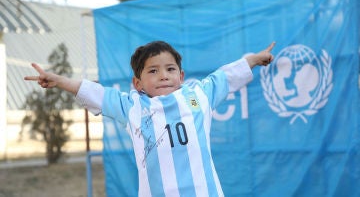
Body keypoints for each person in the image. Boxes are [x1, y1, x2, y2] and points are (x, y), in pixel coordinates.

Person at [25, 40, 275, 197]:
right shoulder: (132, 106)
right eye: (153, 71)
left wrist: (254, 59)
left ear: (181, 75)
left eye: (170, 69)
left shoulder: (198, 93)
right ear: (138, 83)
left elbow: (226, 75)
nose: (163, 75)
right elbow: (95, 92)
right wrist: (58, 81)